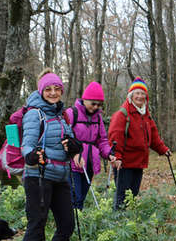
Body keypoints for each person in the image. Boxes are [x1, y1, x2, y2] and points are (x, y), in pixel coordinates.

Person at [16, 69, 83, 241]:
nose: (53, 93)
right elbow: (27, 143)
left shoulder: (61, 114)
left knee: (67, 224)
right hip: (39, 177)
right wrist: (31, 155)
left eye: (57, 89)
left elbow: (70, 141)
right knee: (37, 225)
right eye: (48, 89)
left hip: (61, 175)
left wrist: (74, 147)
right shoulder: (35, 114)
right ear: (41, 91)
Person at [107, 77, 170, 210]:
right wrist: (116, 156)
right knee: (122, 199)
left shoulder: (145, 114)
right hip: (123, 164)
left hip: (139, 163)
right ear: (131, 95)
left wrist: (163, 149)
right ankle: (118, 224)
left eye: (143, 94)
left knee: (133, 196)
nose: (140, 96)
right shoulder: (122, 114)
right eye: (137, 93)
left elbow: (153, 136)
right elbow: (115, 137)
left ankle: (130, 225)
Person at [67, 81, 116, 208]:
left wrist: (109, 154)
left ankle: (80, 222)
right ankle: (72, 224)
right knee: (74, 197)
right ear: (84, 99)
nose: (95, 107)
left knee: (82, 197)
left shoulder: (98, 118)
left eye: (99, 105)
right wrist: (74, 154)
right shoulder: (72, 113)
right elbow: (64, 136)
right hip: (74, 163)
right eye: (93, 103)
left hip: (89, 163)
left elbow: (102, 140)